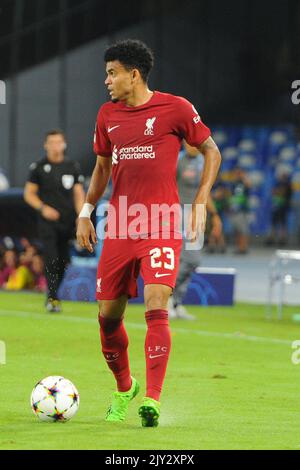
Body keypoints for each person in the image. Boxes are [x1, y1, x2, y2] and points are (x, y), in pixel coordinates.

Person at [76, 39, 221, 427]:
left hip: (159, 221)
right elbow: (102, 167)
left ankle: (152, 400)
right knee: (108, 317)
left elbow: (211, 150)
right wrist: (86, 212)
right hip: (121, 224)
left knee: (157, 303)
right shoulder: (107, 115)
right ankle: (125, 387)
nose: (107, 81)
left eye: (112, 73)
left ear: (133, 74)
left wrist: (202, 197)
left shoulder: (176, 108)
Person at [24, 130, 85, 312]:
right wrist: (43, 208)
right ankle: (52, 298)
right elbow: (29, 194)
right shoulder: (38, 167)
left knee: (64, 259)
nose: (55, 146)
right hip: (47, 222)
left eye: (59, 142)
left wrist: (81, 217)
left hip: (67, 222)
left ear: (64, 144)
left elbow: (78, 194)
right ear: (46, 145)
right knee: (51, 257)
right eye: (52, 142)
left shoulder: (72, 166)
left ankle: (53, 293)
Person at [169, 141, 223, 320]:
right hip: (178, 213)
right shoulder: (176, 161)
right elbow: (167, 187)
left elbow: (205, 192)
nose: (190, 145)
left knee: (191, 261)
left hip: (196, 214)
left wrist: (215, 215)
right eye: (187, 142)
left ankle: (176, 302)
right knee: (187, 258)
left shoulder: (204, 162)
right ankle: (168, 300)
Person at [228, 167, 251, 254]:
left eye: (238, 173)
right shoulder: (234, 184)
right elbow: (231, 196)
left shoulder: (244, 183)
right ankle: (239, 247)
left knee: (243, 230)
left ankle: (244, 247)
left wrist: (244, 177)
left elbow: (249, 184)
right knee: (237, 230)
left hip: (242, 210)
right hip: (234, 210)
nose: (237, 175)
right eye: (236, 173)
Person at [266, 172, 292, 246]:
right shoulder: (277, 184)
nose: (281, 178)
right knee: (274, 223)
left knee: (283, 223)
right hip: (276, 206)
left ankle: (282, 238)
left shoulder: (287, 185)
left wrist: (278, 192)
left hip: (283, 207)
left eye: (283, 177)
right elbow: (274, 193)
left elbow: (283, 194)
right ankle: (272, 238)